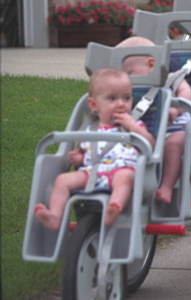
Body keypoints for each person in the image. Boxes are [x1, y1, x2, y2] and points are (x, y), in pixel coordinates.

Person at [34, 68, 156, 229]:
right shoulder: (89, 129)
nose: (121, 104)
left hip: (120, 170)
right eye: (112, 98)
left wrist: (133, 127)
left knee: (126, 178)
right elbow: (84, 154)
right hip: (91, 172)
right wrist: (78, 158)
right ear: (94, 105)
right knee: (62, 180)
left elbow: (150, 144)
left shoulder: (134, 125)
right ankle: (55, 216)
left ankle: (114, 207)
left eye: (126, 98)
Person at [118, 36, 191, 204]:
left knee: (175, 143)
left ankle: (167, 186)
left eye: (129, 73)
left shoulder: (171, 78)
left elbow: (187, 94)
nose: (126, 79)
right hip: (140, 130)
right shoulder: (125, 88)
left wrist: (175, 109)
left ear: (151, 64)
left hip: (172, 127)